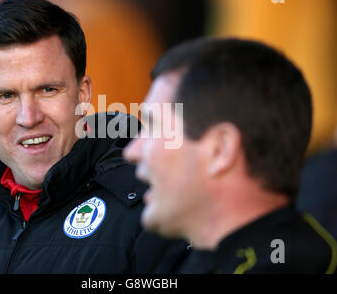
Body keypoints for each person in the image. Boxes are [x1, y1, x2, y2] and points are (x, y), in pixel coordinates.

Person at [0, 0, 187, 273]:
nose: (29, 118)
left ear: (83, 94)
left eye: (47, 90)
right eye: (6, 96)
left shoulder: (154, 212)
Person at [123, 37, 337, 273]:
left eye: (154, 127)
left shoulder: (297, 264)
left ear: (221, 150)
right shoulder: (174, 253)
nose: (132, 152)